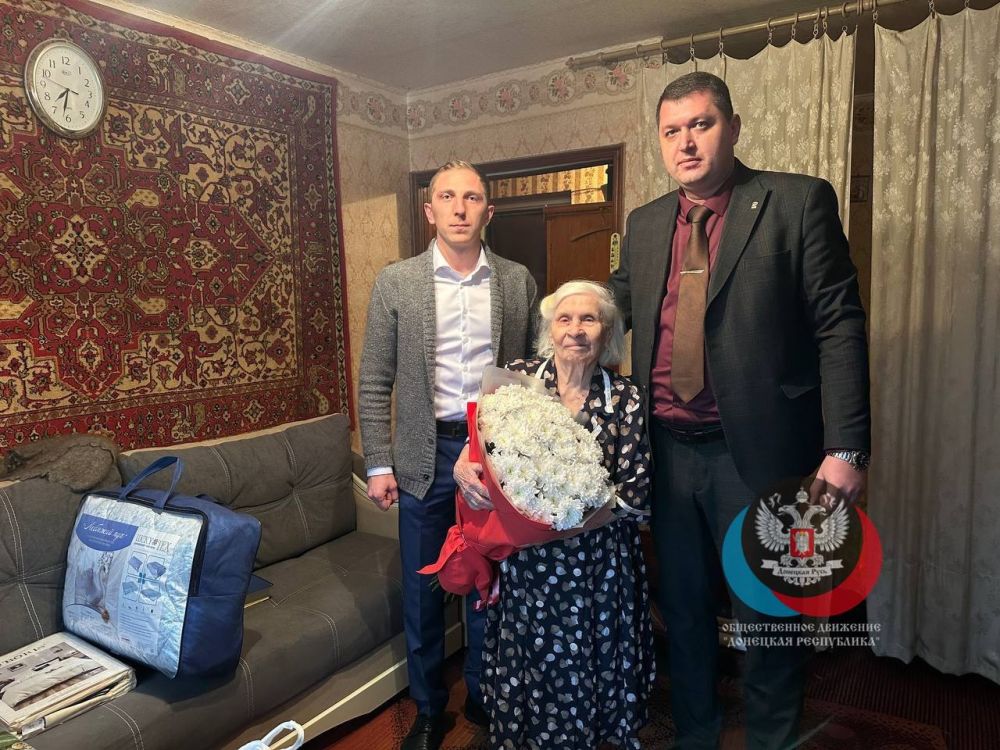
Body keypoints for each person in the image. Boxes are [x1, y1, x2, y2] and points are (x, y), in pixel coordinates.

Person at [608, 72, 871, 749]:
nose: (686, 142)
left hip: (758, 455)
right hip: (667, 455)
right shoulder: (644, 224)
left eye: (701, 124)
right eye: (671, 131)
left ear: (732, 128)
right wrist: (541, 350)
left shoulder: (797, 201)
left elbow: (839, 326)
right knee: (684, 613)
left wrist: (845, 448)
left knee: (768, 619)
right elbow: (608, 310)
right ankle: (695, 736)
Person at [358, 160, 537, 750]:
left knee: (492, 583)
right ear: (429, 210)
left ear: (489, 211)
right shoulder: (397, 281)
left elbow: (530, 373)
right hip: (422, 454)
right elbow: (375, 379)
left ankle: (485, 697)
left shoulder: (516, 281)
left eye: (473, 197)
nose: (460, 208)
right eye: (448, 197)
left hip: (492, 453)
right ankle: (429, 708)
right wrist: (378, 463)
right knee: (424, 589)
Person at [454, 280, 655, 749]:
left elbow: (635, 491)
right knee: (533, 654)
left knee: (590, 656)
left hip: (598, 563)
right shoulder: (518, 379)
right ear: (550, 330)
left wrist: (564, 524)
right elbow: (479, 440)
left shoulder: (626, 397)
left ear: (607, 333)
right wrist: (463, 465)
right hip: (528, 563)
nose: (575, 330)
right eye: (565, 319)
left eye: (589, 320)